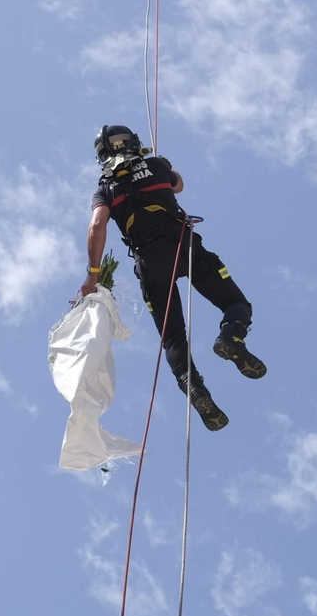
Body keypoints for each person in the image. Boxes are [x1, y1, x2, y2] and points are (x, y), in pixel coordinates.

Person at [77, 125, 264, 431]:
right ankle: (230, 337)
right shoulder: (156, 165)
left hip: (150, 266)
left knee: (173, 337)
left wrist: (93, 274)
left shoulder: (104, 190)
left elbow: (97, 226)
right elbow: (178, 185)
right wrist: (158, 166)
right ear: (135, 145)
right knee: (236, 303)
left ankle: (194, 387)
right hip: (183, 246)